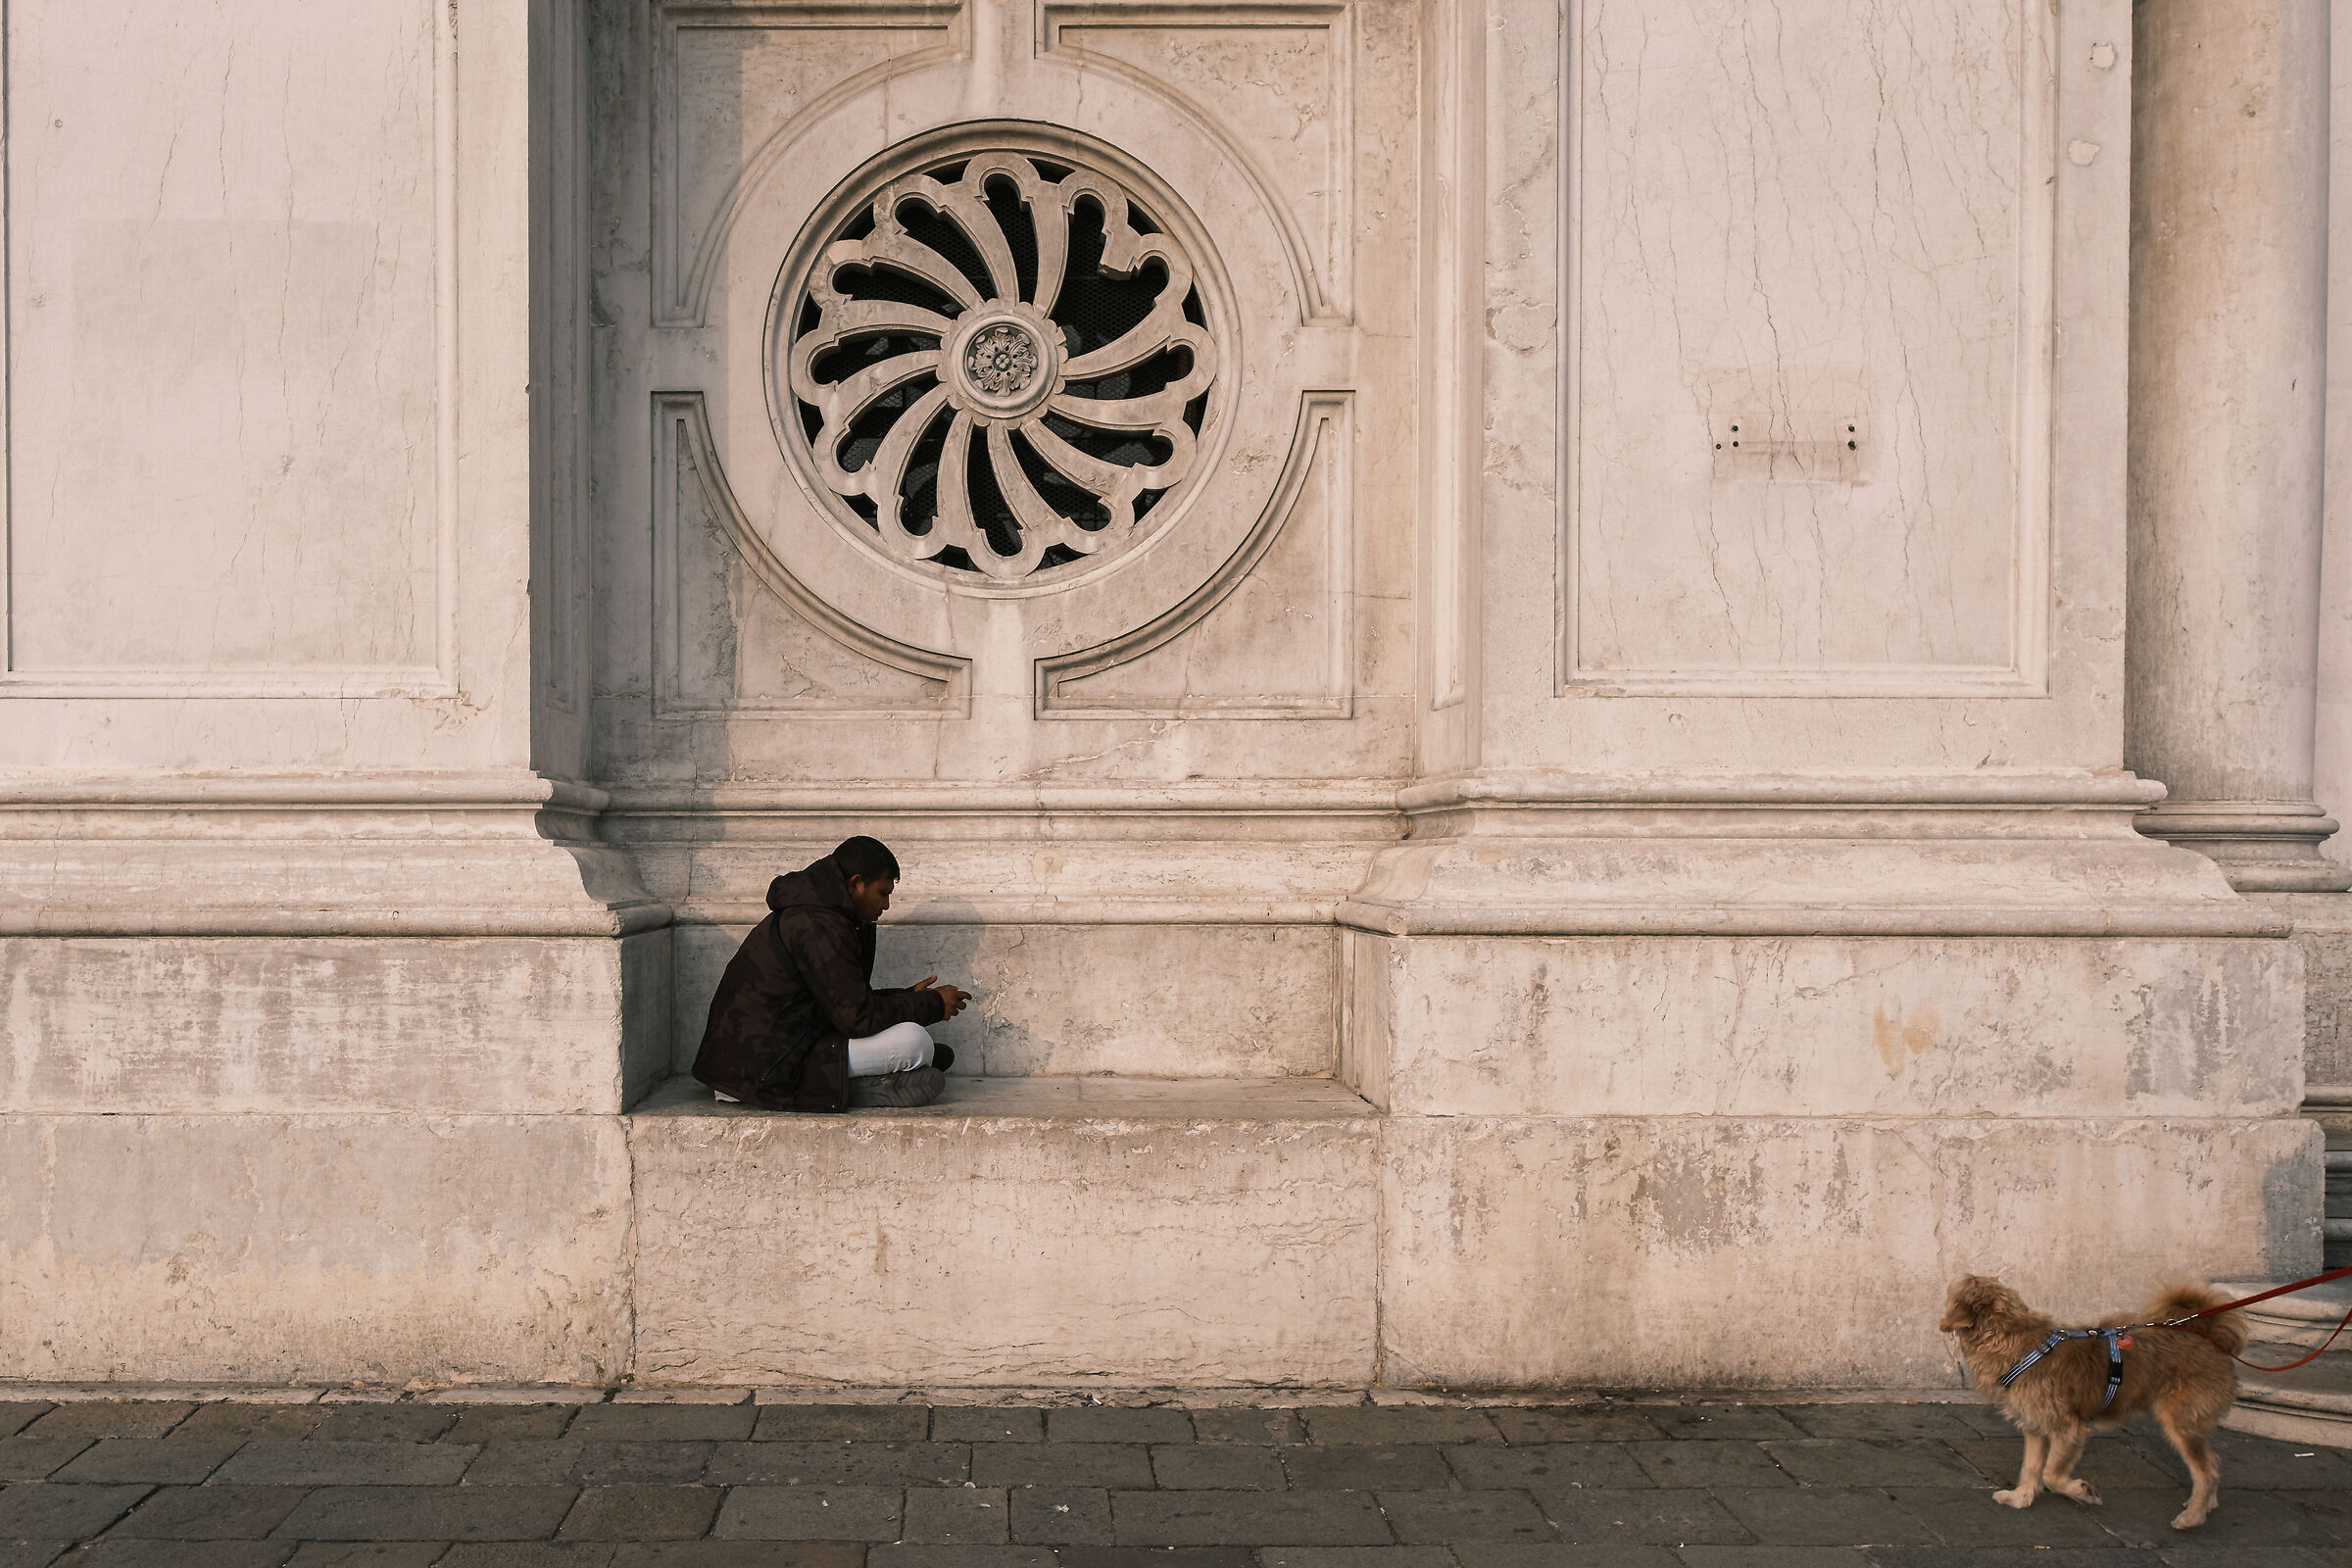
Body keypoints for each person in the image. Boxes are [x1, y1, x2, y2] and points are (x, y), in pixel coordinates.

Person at [691, 835, 971, 1110]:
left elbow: (844, 1001)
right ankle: (851, 1087)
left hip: (759, 1061)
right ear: (856, 883)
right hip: (759, 1073)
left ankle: (881, 1073)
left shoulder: (819, 916)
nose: (886, 905)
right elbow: (857, 1019)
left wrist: (909, 996)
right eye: (883, 893)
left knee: (916, 1041)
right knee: (915, 1042)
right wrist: (932, 1004)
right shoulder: (817, 924)